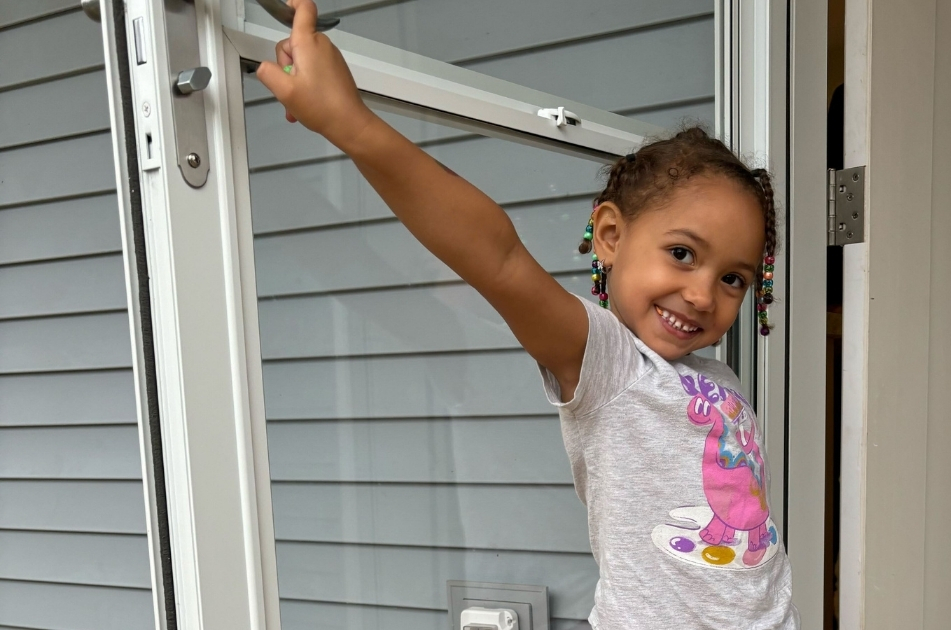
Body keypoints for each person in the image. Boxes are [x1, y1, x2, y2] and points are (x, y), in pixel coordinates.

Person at [257, 1, 799, 627]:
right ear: (611, 236)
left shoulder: (716, 380)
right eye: (682, 254)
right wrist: (350, 122)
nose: (704, 294)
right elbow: (499, 257)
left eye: (732, 277)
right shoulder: (609, 362)